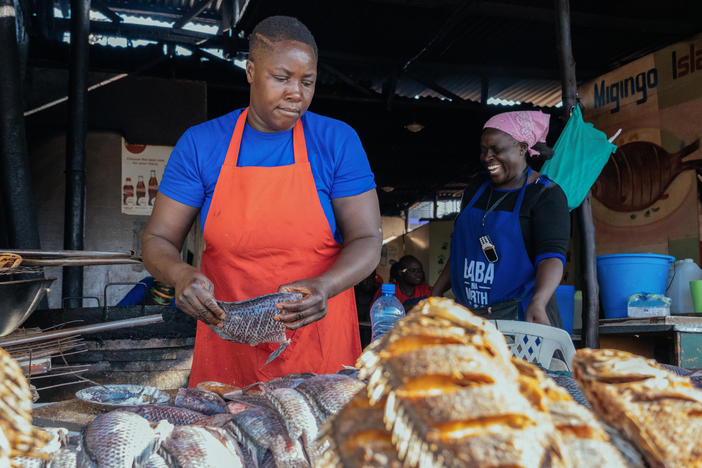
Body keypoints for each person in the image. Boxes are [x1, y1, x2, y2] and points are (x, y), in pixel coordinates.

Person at [141, 16, 382, 387]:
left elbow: (367, 238)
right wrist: (180, 275)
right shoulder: (202, 144)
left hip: (318, 340)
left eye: (308, 81)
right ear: (251, 71)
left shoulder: (336, 141)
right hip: (229, 344)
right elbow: (157, 240)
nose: (296, 93)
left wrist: (326, 286)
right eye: (282, 78)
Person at [432, 111, 569, 326]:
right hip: (469, 317)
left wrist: (539, 301)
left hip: (520, 316)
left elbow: (552, 257)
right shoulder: (477, 187)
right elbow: (463, 250)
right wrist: (437, 291)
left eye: (496, 150)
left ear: (522, 148)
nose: (487, 157)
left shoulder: (545, 195)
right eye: (484, 150)